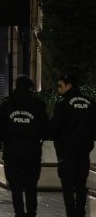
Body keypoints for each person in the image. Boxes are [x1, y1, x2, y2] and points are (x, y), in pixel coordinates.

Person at [0, 75, 50, 217]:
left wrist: (1, 140)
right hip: (32, 151)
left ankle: (19, 212)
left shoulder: (7, 105)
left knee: (16, 186)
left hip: (12, 151)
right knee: (31, 185)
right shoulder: (38, 105)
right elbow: (46, 129)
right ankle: (31, 212)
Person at [52, 74, 96, 217]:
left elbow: (55, 128)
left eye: (61, 86)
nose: (59, 90)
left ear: (69, 85)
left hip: (67, 152)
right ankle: (80, 212)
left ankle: (71, 213)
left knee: (68, 185)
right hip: (84, 151)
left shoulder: (62, 103)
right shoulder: (90, 103)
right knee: (81, 185)